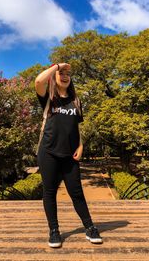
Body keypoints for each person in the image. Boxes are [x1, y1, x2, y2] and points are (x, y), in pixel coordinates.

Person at [35, 63, 103, 248]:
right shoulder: (48, 98)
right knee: (49, 193)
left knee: (77, 192)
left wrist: (81, 145)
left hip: (69, 155)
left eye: (67, 74)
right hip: (48, 152)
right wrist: (57, 65)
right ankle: (54, 231)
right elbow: (39, 80)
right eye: (61, 74)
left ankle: (90, 227)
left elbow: (75, 127)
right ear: (54, 77)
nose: (65, 76)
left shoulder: (76, 101)